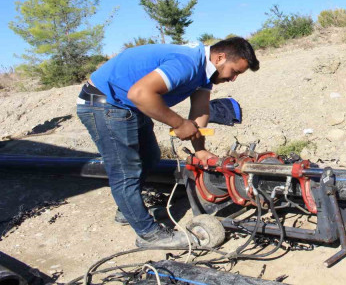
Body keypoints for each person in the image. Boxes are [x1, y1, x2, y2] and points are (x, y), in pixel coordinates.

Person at [76, 37, 259, 248]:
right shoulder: (187, 63)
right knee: (125, 171)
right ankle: (148, 235)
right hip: (102, 103)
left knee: (150, 157)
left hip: (127, 105)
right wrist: (179, 123)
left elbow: (200, 112)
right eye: (235, 71)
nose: (234, 78)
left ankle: (128, 211)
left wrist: (200, 150)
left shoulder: (204, 72)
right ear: (220, 58)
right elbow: (140, 93)